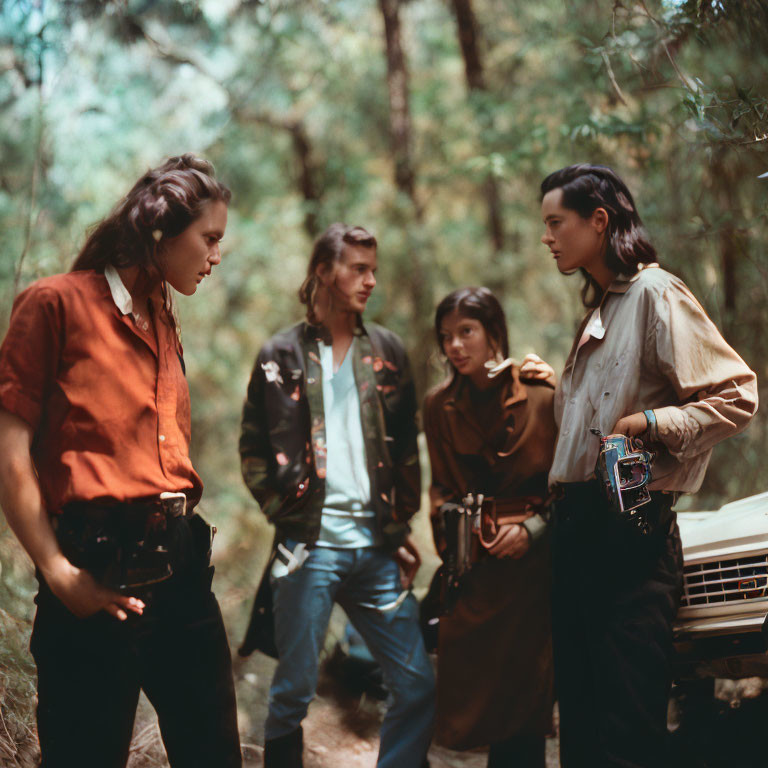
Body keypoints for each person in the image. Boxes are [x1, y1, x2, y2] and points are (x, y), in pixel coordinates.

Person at [0, 154, 242, 768]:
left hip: (185, 573)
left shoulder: (164, 317)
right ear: (161, 231)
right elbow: (9, 451)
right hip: (92, 572)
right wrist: (56, 571)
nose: (217, 255)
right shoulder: (54, 304)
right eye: (209, 239)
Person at [539, 163, 758, 767]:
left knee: (627, 727)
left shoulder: (655, 293)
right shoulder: (601, 310)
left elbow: (737, 394)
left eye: (556, 222)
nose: (547, 237)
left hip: (629, 536)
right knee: (580, 725)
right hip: (574, 535)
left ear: (598, 221)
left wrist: (652, 424)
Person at [239, 222, 435, 768]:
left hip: (376, 549)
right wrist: (287, 514)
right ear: (324, 271)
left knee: (416, 681)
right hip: (308, 550)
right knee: (293, 692)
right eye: (359, 268)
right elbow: (253, 449)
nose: (371, 280)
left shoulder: (389, 352)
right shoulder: (280, 354)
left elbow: (406, 457)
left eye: (374, 270)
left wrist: (398, 527)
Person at [422, 286, 557, 768]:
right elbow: (439, 489)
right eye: (446, 337)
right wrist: (455, 547)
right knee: (477, 699)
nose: (455, 346)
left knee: (526, 697)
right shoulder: (438, 406)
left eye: (467, 332)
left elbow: (567, 485)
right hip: (475, 570)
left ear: (493, 333)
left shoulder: (542, 396)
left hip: (534, 572)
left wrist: (533, 530)